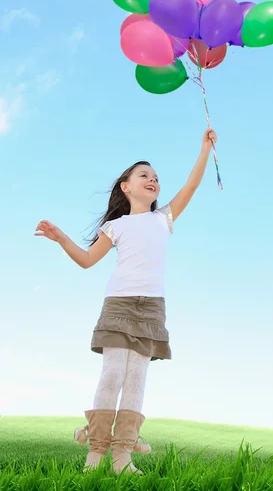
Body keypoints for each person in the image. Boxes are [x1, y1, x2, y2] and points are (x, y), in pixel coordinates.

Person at [34, 128, 218, 475]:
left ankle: (122, 456)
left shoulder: (162, 218)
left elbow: (191, 187)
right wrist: (60, 238)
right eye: (144, 175)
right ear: (126, 187)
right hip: (119, 304)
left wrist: (204, 149)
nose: (153, 180)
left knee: (136, 380)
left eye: (156, 177)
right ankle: (96, 452)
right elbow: (88, 260)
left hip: (151, 308)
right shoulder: (116, 226)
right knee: (113, 374)